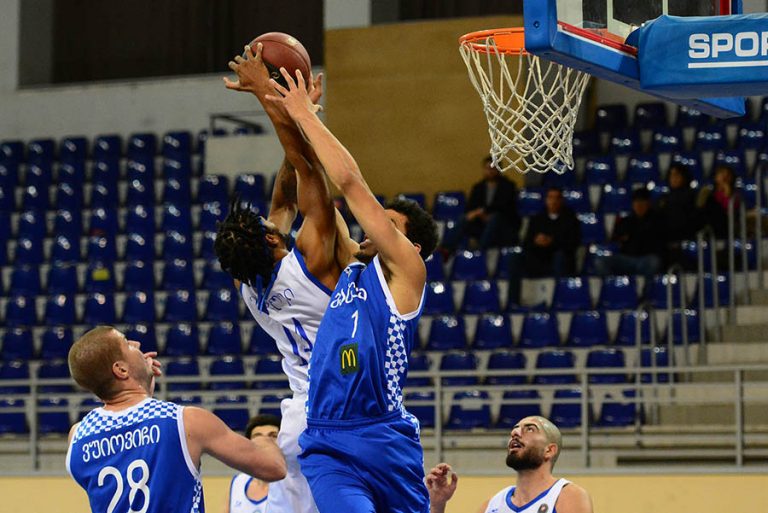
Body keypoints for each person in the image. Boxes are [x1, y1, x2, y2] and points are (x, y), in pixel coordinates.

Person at [266, 67, 439, 513]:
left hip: (380, 433)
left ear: (412, 247)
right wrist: (288, 114)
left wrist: (306, 116)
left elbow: (350, 183)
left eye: (389, 226)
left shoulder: (406, 272)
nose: (372, 228)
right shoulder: (350, 263)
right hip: (324, 437)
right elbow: (313, 183)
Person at [217, 43, 357, 513]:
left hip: (298, 416)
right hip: (341, 406)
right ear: (272, 239)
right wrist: (272, 97)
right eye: (266, 225)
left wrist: (298, 117)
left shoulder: (248, 284)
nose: (270, 217)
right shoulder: (311, 259)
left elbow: (284, 196)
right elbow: (306, 169)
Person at [66, 326, 286, 513]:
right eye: (126, 343)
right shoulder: (184, 421)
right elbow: (274, 468)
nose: (136, 344)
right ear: (121, 369)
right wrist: (264, 437)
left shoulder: (78, 436)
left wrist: (142, 389)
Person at [426, 416, 593, 513]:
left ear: (549, 450)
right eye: (515, 429)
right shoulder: (491, 505)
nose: (515, 432)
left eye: (530, 429)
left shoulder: (568, 496)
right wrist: (436, 505)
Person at [441, 156, 520, 254]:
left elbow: (505, 207)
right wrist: (479, 214)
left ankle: (480, 252)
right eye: (487, 168)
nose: (490, 171)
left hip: (502, 224)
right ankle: (446, 249)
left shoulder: (508, 186)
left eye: (493, 168)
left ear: (498, 169)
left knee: (495, 218)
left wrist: (484, 212)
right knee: (464, 218)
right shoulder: (478, 187)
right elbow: (470, 207)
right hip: (481, 223)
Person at [595, 187, 665, 285]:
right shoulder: (627, 221)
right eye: (636, 202)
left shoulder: (657, 220)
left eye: (642, 202)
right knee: (601, 261)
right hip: (626, 259)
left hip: (646, 259)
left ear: (648, 203)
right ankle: (614, 288)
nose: (639, 205)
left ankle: (645, 290)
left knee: (654, 262)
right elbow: (616, 237)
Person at [225, 414, 282, 513]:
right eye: (258, 436)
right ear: (248, 443)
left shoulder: (294, 483)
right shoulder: (238, 482)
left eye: (273, 436)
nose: (265, 441)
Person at [523, 187, 581, 277]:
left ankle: (558, 284)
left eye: (557, 198)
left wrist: (552, 241)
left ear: (562, 201)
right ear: (546, 200)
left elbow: (573, 242)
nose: (554, 201)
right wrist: (536, 241)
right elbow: (527, 241)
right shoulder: (537, 219)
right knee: (517, 257)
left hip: (560, 257)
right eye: (550, 197)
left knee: (560, 257)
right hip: (539, 256)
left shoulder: (570, 219)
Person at [657, 164, 698, 267]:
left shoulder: (692, 196)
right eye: (671, 175)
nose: (673, 178)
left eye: (677, 175)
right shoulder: (663, 198)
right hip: (666, 240)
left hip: (686, 237)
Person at [698, 164, 740, 239]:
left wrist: (727, 192)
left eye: (728, 175)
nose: (724, 177)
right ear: (716, 177)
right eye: (721, 174)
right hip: (710, 222)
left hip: (726, 224)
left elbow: (730, 209)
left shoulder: (735, 195)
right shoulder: (708, 193)